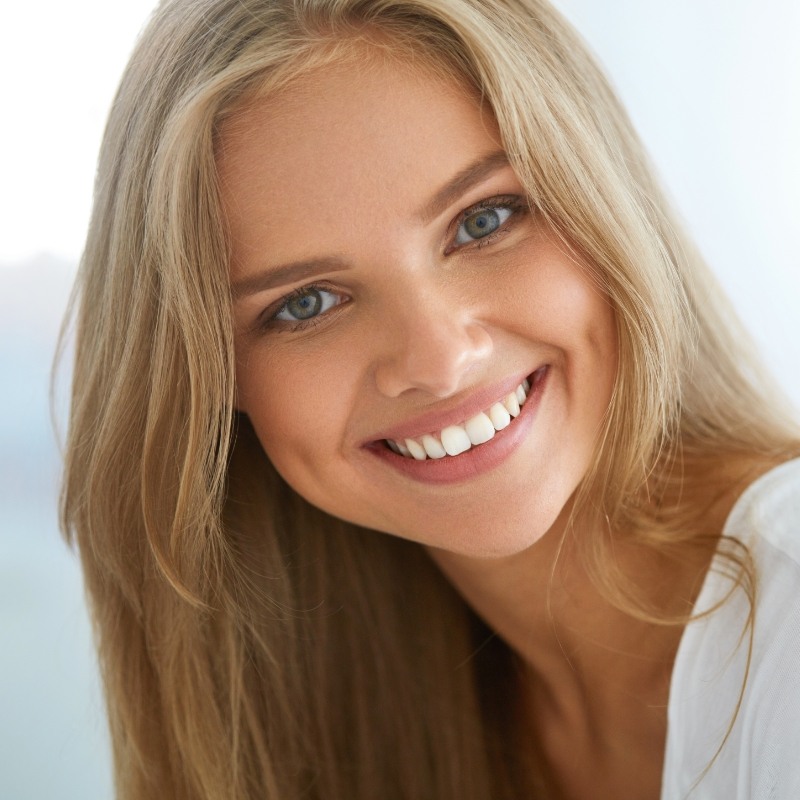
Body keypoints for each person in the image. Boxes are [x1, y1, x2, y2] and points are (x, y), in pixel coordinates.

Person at [59, 0, 800, 797]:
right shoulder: (334, 718)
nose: (440, 360)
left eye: (483, 220)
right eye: (306, 303)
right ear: (211, 384)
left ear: (603, 197)